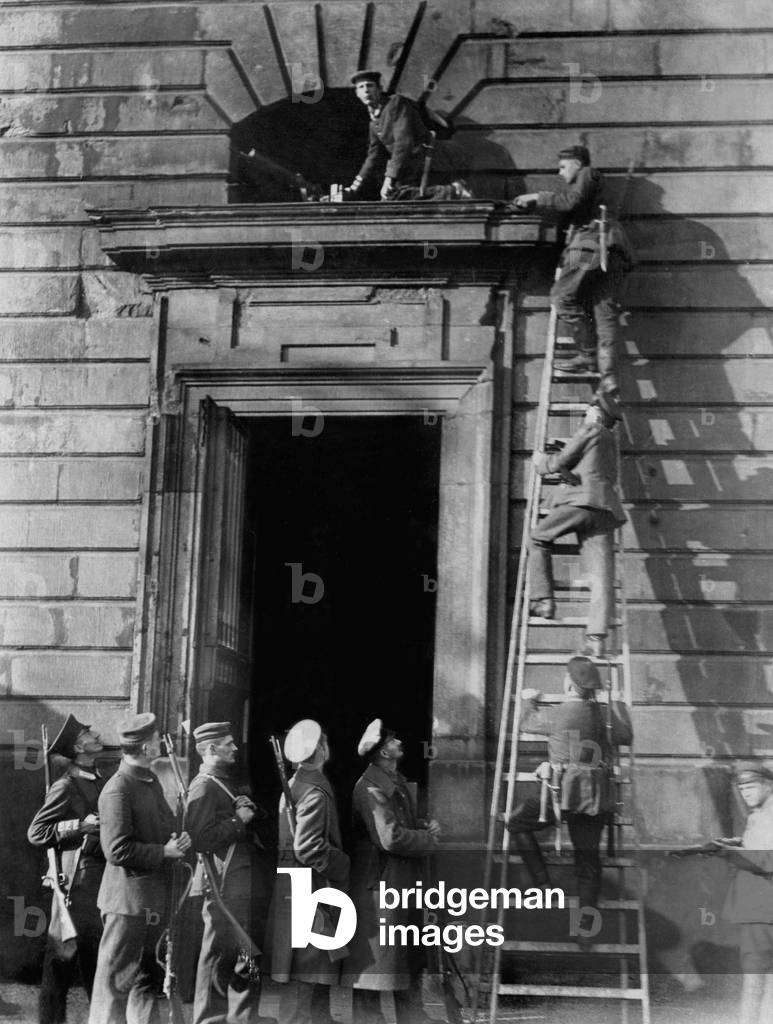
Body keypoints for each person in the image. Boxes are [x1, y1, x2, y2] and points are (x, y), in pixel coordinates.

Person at [506, 657, 632, 945]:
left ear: (569, 684)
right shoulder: (604, 716)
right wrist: (616, 704)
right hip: (595, 798)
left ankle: (543, 885)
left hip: (560, 794)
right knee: (588, 862)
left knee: (515, 822)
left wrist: (528, 699)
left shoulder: (560, 713)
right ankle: (586, 932)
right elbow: (626, 735)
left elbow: (526, 722)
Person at [88, 712, 191, 1024]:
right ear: (146, 748)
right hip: (126, 904)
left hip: (149, 902)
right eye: (156, 739)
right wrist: (165, 851)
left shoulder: (149, 781)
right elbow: (116, 850)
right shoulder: (118, 789)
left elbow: (159, 826)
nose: (161, 743)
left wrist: (177, 834)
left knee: (145, 981)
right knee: (114, 986)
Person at [512, 144, 634, 394]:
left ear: (577, 164)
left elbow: (571, 201)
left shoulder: (588, 173)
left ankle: (588, 354)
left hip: (591, 242)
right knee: (604, 313)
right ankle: (609, 376)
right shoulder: (594, 184)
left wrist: (537, 197)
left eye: (562, 166)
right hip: (614, 249)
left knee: (562, 296)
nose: (560, 173)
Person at [342, 719, 439, 1024]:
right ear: (384, 751)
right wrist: (428, 840)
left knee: (403, 953)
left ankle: (412, 1015)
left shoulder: (391, 781)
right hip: (380, 884)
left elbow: (398, 826)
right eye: (394, 741)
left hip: (395, 882)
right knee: (374, 961)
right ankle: (369, 1019)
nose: (401, 744)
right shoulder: (370, 788)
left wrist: (421, 826)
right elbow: (390, 837)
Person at [186, 722, 274, 1024]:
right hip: (220, 884)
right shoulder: (203, 785)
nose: (235, 748)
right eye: (228, 744)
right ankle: (209, 1019)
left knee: (244, 957)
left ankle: (240, 1018)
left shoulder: (223, 782)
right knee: (218, 957)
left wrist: (250, 814)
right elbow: (199, 838)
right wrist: (238, 821)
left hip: (239, 882)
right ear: (211, 749)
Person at [529, 392, 626, 658]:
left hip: (582, 504)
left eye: (590, 409)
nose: (586, 412)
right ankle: (596, 638)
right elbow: (588, 471)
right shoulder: (610, 441)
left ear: (597, 413)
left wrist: (542, 464)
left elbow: (562, 460)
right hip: (606, 512)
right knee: (601, 577)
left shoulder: (591, 429)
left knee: (538, 538)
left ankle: (544, 602)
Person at [271, 719, 350, 1024]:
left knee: (307, 968)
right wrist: (342, 864)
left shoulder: (296, 785)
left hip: (297, 886)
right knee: (308, 968)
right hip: (312, 888)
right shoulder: (314, 791)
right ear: (320, 749)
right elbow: (308, 848)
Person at [28, 715, 106, 1024]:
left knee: (95, 964)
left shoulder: (99, 778)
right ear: (78, 746)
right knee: (59, 966)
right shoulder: (66, 785)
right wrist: (79, 825)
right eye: (89, 733)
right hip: (73, 885)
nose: (96, 734)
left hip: (96, 882)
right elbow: (36, 832)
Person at [345, 69, 471, 201]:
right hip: (407, 164)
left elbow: (403, 142)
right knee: (392, 197)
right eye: (361, 87)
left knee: (395, 196)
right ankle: (452, 191)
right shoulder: (374, 123)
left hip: (426, 158)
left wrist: (389, 178)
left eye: (370, 85)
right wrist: (353, 187)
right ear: (357, 93)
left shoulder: (395, 103)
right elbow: (373, 156)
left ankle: (453, 191)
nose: (366, 90)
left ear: (379, 89)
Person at [719, 762, 773, 1022]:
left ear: (768, 784)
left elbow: (766, 860)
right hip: (761, 907)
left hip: (761, 909)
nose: (745, 793)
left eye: (751, 787)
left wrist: (728, 854)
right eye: (742, 789)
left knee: (754, 980)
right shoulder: (759, 814)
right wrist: (739, 843)